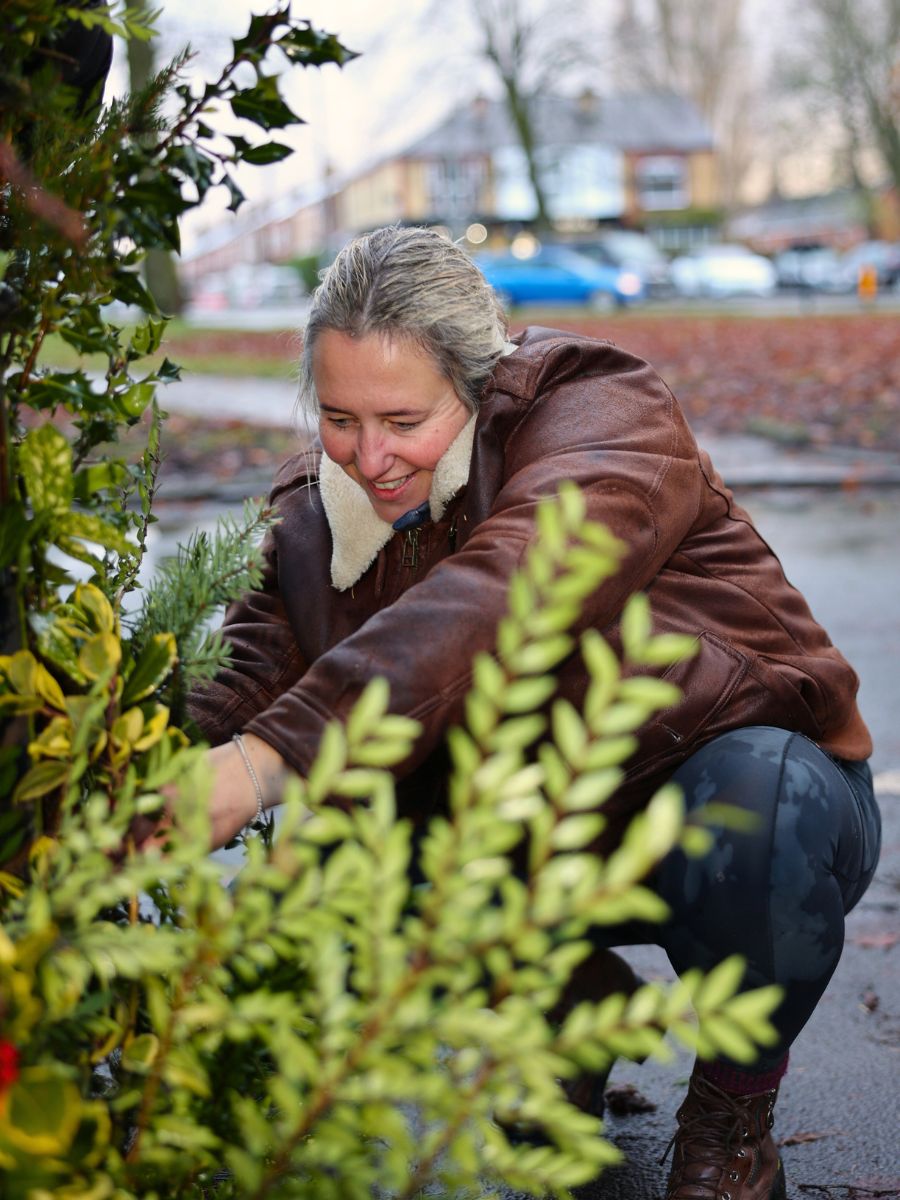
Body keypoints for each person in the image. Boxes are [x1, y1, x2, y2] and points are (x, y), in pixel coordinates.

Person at [182, 225, 880, 1200]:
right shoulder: (317, 507)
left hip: (725, 798)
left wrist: (261, 764)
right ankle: (560, 1000)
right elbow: (248, 669)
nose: (369, 458)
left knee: (763, 808)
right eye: (339, 418)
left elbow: (515, 586)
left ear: (476, 384)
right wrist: (133, 767)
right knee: (344, 844)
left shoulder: (601, 410)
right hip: (534, 831)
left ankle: (732, 1116)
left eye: (402, 420)